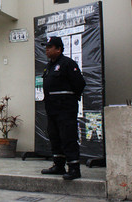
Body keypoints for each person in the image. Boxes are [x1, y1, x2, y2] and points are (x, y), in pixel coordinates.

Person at [41, 36, 86, 180]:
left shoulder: (68, 63)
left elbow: (79, 84)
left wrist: (69, 99)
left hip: (65, 109)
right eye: (46, 47)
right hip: (52, 109)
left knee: (68, 137)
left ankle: (73, 168)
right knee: (55, 136)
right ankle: (58, 165)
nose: (47, 50)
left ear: (59, 49)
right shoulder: (49, 66)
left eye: (50, 47)